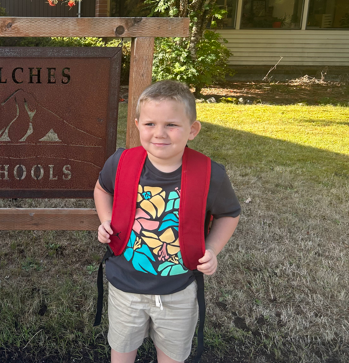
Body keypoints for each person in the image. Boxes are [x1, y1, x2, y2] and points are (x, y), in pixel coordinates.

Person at [94, 80, 240, 363]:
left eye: (171, 125)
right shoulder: (121, 162)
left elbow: (229, 214)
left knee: (172, 356)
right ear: (137, 125)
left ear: (192, 130)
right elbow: (102, 189)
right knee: (121, 353)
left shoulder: (211, 174)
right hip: (124, 285)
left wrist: (212, 250)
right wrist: (107, 220)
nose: (159, 133)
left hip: (179, 291)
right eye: (150, 124)